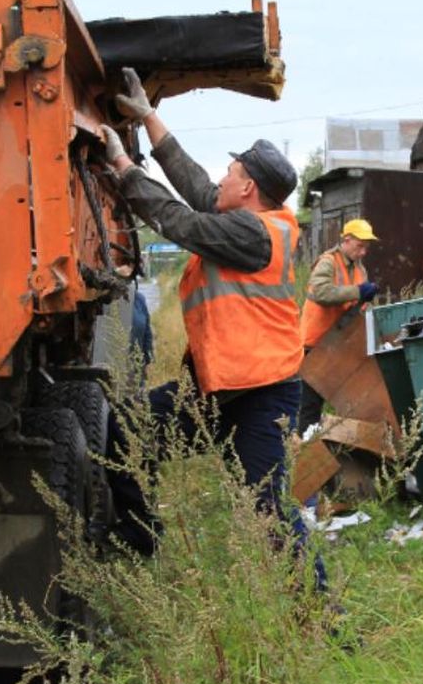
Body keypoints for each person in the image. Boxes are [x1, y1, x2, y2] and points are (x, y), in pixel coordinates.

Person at [97, 68, 319, 586]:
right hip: (219, 389)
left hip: (261, 394)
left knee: (268, 509)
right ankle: (140, 542)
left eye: (231, 171)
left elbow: (178, 220)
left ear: (248, 187)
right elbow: (196, 187)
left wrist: (122, 164)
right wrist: (149, 117)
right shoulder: (246, 218)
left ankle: (319, 612)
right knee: (128, 432)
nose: (221, 176)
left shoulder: (251, 232)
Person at [296, 219, 379, 434]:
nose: (363, 252)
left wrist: (365, 300)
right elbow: (320, 292)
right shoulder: (328, 262)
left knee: (345, 397)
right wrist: (359, 292)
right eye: (360, 246)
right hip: (316, 343)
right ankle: (303, 453)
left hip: (339, 343)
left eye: (367, 247)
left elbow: (358, 305)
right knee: (311, 404)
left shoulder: (359, 267)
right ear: (346, 240)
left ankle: (339, 444)